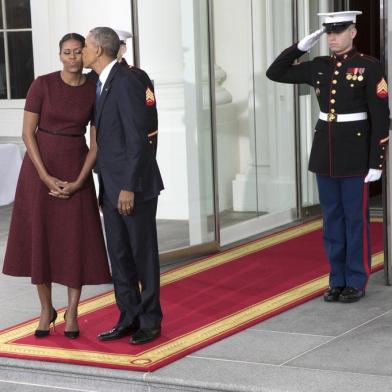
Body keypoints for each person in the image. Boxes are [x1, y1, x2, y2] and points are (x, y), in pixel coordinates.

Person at [266, 11, 390, 303]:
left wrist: (377, 161)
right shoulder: (318, 66)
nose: (332, 37)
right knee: (332, 220)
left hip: (355, 155)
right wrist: (300, 47)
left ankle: (356, 280)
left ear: (353, 32)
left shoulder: (369, 67)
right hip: (326, 153)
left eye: (339, 31)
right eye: (328, 32)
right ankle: (336, 278)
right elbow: (275, 73)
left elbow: (381, 117)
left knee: (354, 220)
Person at [2, 33, 112, 338]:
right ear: (60, 55)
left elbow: (97, 142)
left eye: (78, 52)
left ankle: (73, 312)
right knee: (42, 238)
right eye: (67, 52)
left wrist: (79, 181)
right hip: (40, 171)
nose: (73, 58)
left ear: (85, 54)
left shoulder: (95, 88)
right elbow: (27, 134)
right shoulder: (43, 84)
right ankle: (45, 309)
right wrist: (45, 176)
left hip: (77, 166)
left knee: (74, 240)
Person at [82, 27, 164, 344]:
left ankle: (150, 321)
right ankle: (128, 316)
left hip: (134, 187)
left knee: (142, 255)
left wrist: (128, 187)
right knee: (119, 255)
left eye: (87, 45)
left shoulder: (128, 81)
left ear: (100, 49)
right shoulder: (101, 82)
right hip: (112, 186)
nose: (84, 51)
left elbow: (139, 139)